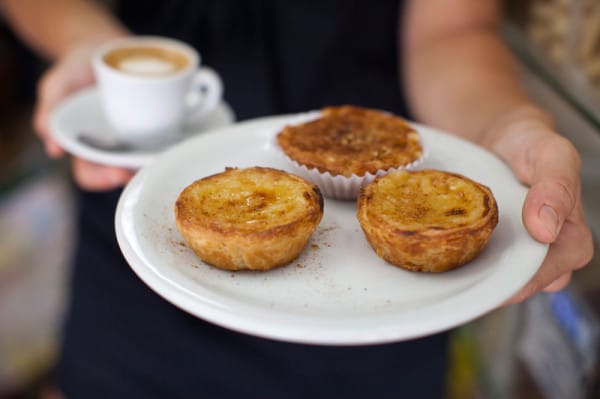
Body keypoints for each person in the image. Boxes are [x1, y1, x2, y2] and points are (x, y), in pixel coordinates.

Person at [1, 0, 594, 397]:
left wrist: (506, 125)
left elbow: (452, 27)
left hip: (377, 316)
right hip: (143, 255)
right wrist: (95, 49)